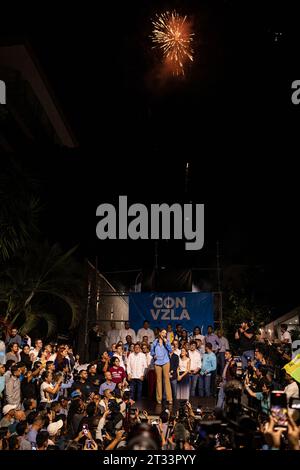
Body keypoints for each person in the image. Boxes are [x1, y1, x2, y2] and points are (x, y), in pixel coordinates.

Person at [150, 328, 172, 404]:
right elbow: (151, 351)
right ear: (160, 333)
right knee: (159, 380)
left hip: (166, 361)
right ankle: (159, 398)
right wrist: (154, 355)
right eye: (163, 333)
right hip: (157, 362)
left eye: (165, 333)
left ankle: (169, 399)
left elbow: (170, 350)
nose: (164, 334)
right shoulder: (155, 342)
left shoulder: (167, 341)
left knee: (167, 380)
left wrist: (166, 342)